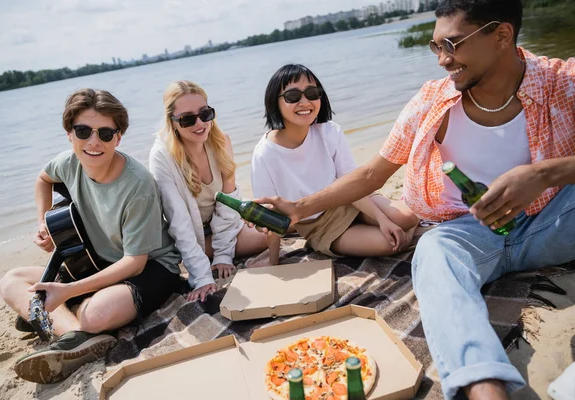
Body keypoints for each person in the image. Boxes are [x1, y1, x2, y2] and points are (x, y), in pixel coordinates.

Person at [254, 1, 575, 399]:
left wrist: (546, 174)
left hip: (552, 221)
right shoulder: (432, 102)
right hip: (468, 235)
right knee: (432, 253)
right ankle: (483, 387)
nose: (443, 60)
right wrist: (300, 208)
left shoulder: (562, 82)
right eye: (435, 46)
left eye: (453, 44)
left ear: (502, 35)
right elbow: (373, 173)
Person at [0, 89, 186, 384]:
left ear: (119, 137)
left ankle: (66, 320)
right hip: (94, 263)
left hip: (152, 267)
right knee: (10, 281)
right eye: (83, 131)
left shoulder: (138, 185)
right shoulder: (68, 162)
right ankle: (76, 334)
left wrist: (69, 291)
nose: (94, 142)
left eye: (105, 133)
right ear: (69, 134)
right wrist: (43, 221)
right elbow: (43, 178)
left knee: (96, 314)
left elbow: (134, 264)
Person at [251, 64, 419, 265]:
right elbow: (267, 216)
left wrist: (382, 220)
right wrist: (273, 261)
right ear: (274, 102)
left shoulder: (329, 131)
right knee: (388, 244)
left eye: (312, 93)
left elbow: (351, 183)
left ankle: (390, 224)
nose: (305, 102)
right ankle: (402, 232)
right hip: (320, 225)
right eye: (293, 96)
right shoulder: (264, 154)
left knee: (409, 218)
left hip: (350, 199)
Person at [149, 81, 268, 302]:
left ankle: (218, 252)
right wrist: (202, 277)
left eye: (205, 113)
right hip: (193, 238)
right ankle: (207, 257)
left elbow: (229, 202)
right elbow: (179, 222)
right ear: (172, 123)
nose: (200, 123)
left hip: (222, 229)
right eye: (187, 119)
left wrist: (224, 254)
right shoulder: (162, 157)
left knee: (270, 235)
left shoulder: (222, 142)